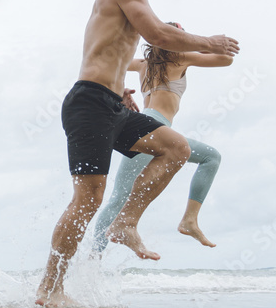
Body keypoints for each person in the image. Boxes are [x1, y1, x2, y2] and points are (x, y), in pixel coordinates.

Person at [35, 0, 239, 308]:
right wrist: (210, 42)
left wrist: (118, 92)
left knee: (177, 148)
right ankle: (50, 288)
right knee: (88, 199)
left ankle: (126, 223)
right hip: (90, 103)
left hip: (113, 105)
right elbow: (159, 35)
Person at [90, 22, 231, 255]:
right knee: (119, 198)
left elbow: (110, 63)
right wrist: (202, 45)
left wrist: (119, 90)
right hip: (155, 126)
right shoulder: (181, 59)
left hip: (150, 124)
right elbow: (226, 59)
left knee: (210, 158)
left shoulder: (144, 64)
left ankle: (189, 221)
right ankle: (93, 259)